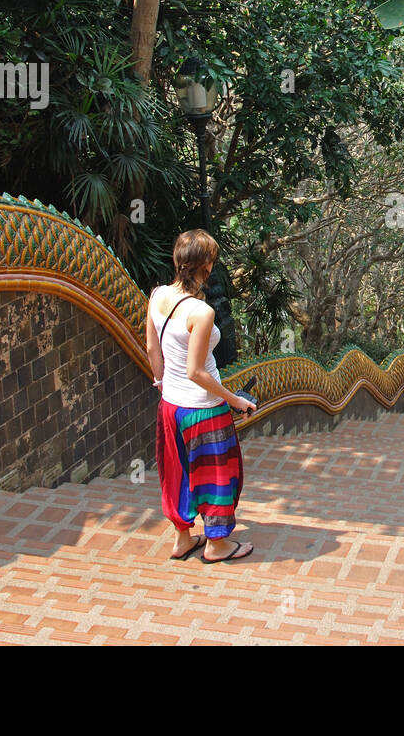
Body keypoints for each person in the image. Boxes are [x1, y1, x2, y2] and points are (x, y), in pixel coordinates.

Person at [147, 230, 257, 564]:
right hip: (202, 410)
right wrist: (234, 400)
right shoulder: (201, 312)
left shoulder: (157, 295)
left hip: (170, 407)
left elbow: (153, 347)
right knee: (219, 473)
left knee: (177, 472)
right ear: (206, 266)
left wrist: (160, 380)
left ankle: (182, 539)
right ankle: (216, 544)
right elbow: (197, 371)